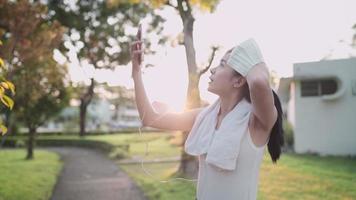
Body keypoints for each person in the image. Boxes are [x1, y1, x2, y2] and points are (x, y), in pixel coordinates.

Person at [130, 25, 284, 200]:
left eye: (222, 64)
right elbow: (149, 118)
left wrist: (248, 51)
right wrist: (136, 72)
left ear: (239, 80)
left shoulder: (256, 121)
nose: (212, 69)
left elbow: (258, 81)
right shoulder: (203, 117)